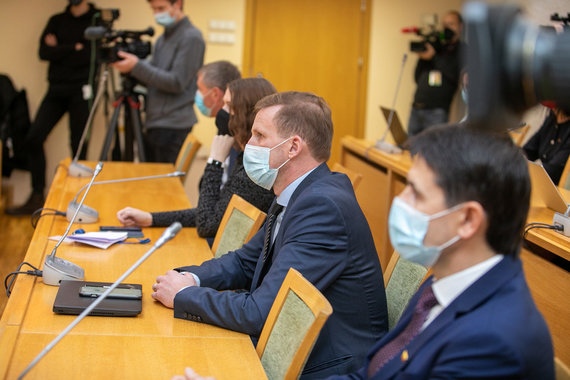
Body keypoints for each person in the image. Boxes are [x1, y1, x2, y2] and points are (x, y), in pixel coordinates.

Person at [173, 124, 555, 380]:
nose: (399, 203)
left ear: (468, 220)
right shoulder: (445, 289)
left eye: (416, 193)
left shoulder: (493, 340)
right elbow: (367, 374)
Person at [151, 91, 388, 379]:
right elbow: (245, 262)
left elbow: (261, 312)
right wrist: (189, 278)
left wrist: (185, 295)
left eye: (259, 135)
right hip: (289, 342)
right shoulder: (298, 190)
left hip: (324, 365)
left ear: (293, 148)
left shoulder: (322, 206)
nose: (248, 144)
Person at [116, 77, 276, 239]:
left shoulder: (254, 171)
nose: (222, 111)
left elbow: (207, 224)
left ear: (244, 113)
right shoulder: (246, 159)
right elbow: (214, 211)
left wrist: (215, 162)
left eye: (228, 106)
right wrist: (151, 218)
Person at [6, 0, 99, 215]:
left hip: (81, 91)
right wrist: (73, 48)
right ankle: (37, 194)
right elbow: (43, 53)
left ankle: (77, 203)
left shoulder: (94, 22)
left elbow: (89, 56)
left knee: (78, 148)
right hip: (56, 90)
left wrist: (59, 48)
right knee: (34, 137)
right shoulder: (57, 20)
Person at [111, 0, 204, 163]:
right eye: (153, 9)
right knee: (149, 178)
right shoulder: (162, 39)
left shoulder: (192, 37)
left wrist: (136, 66)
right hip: (155, 121)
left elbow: (176, 82)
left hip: (174, 125)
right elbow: (154, 78)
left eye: (161, 8)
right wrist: (132, 68)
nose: (157, 14)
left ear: (177, 4)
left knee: (163, 184)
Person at [407, 10, 464, 137]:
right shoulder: (437, 47)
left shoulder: (462, 50)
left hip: (437, 112)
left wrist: (433, 57)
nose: (446, 28)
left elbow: (453, 74)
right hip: (417, 106)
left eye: (451, 24)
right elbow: (417, 77)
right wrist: (423, 57)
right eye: (444, 25)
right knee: (408, 149)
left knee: (432, 152)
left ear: (460, 27)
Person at [195, 61, 241, 182]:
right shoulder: (223, 122)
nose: (197, 95)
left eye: (200, 89)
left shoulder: (236, 130)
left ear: (215, 93)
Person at [523, 106, 570, 185]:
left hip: (555, 188)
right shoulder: (552, 118)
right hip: (540, 181)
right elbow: (529, 150)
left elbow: (553, 170)